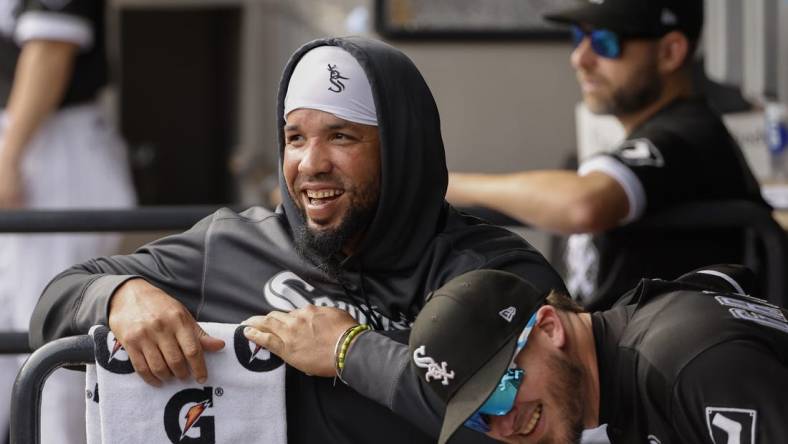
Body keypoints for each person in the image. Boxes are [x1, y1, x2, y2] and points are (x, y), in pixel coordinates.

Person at [30, 37, 566, 443]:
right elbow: (55, 304)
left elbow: (524, 416)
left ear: (402, 151)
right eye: (294, 138)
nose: (311, 165)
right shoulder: (234, 245)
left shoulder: (491, 270)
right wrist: (121, 296)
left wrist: (347, 349)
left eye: (341, 136)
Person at [445, 0, 766, 309]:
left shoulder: (686, 136)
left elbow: (582, 204)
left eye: (605, 41)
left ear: (670, 52)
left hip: (644, 358)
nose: (579, 58)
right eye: (578, 37)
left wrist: (442, 183)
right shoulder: (668, 131)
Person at [410, 265, 788, 444]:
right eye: (480, 419)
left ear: (548, 328)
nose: (504, 425)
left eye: (500, 392)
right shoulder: (613, 373)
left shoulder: (684, 362)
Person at [0, 0, 135, 442]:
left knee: (51, 347)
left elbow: (50, 46)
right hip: (30, 141)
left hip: (53, 149)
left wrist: (9, 157)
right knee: (12, 344)